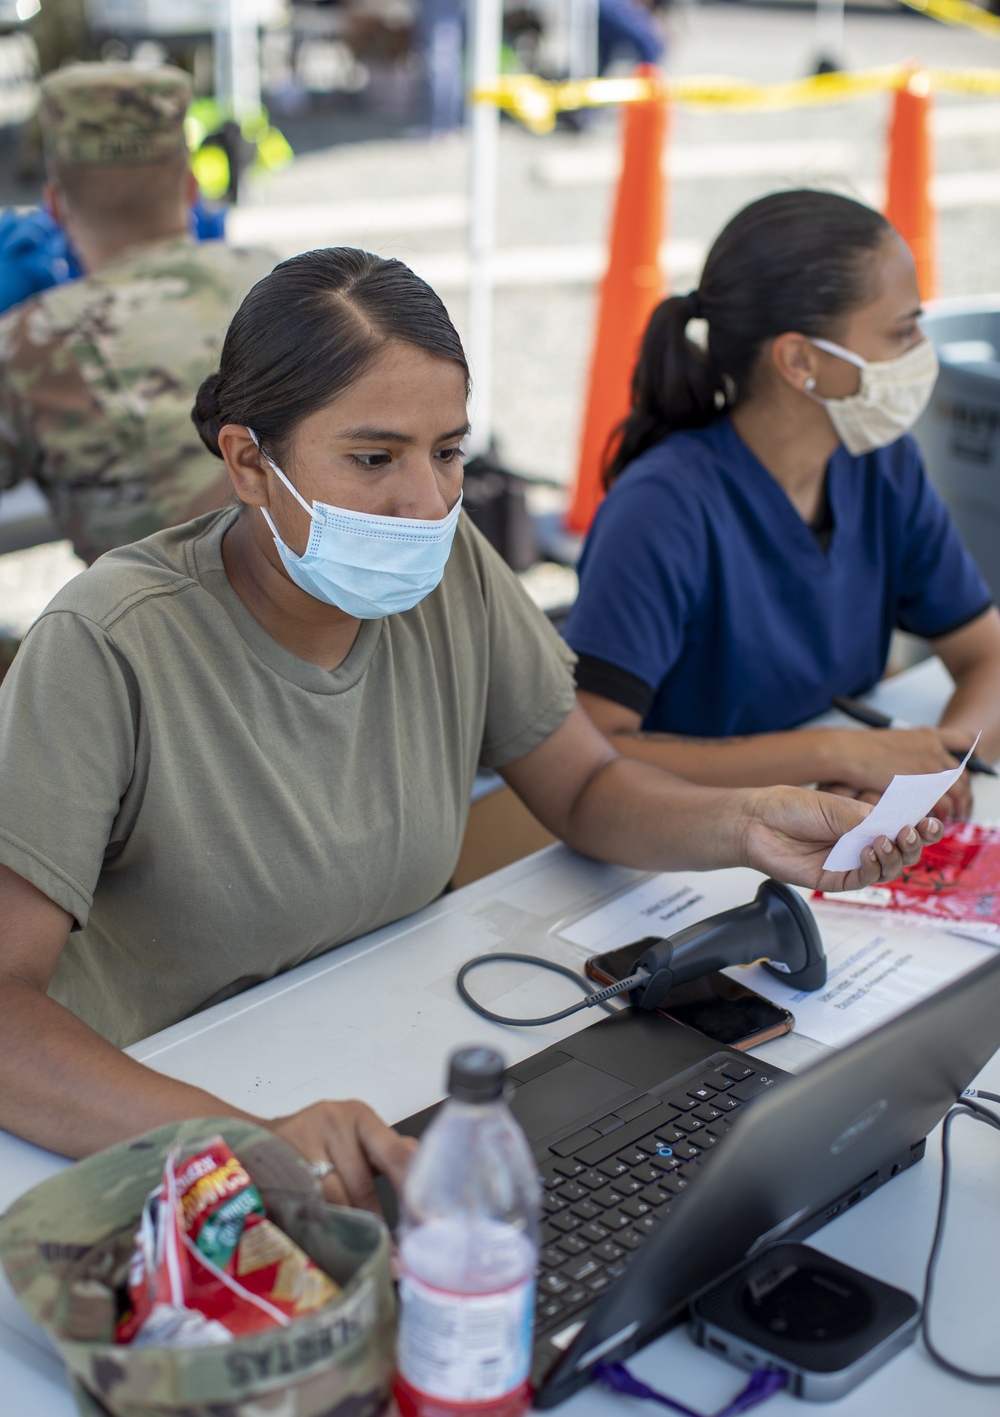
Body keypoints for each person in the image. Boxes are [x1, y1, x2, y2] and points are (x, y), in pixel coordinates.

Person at [0, 247, 939, 1211]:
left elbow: (579, 785)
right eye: (373, 459)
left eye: (447, 451)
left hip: (383, 1062)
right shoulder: (107, 645)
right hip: (152, 1123)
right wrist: (242, 1144)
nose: (428, 502)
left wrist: (744, 824)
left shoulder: (452, 571)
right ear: (248, 461)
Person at [564, 190, 1000, 820]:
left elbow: (987, 654)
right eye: (902, 331)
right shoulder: (662, 509)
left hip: (836, 820)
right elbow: (594, 750)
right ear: (802, 360)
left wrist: (929, 768)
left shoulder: (884, 465)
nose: (920, 351)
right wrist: (837, 754)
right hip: (687, 844)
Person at [0, 61, 276, 567]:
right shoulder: (287, 282)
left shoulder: (31, 340)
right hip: (331, 620)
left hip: (152, 633)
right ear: (193, 189)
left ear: (55, 207)